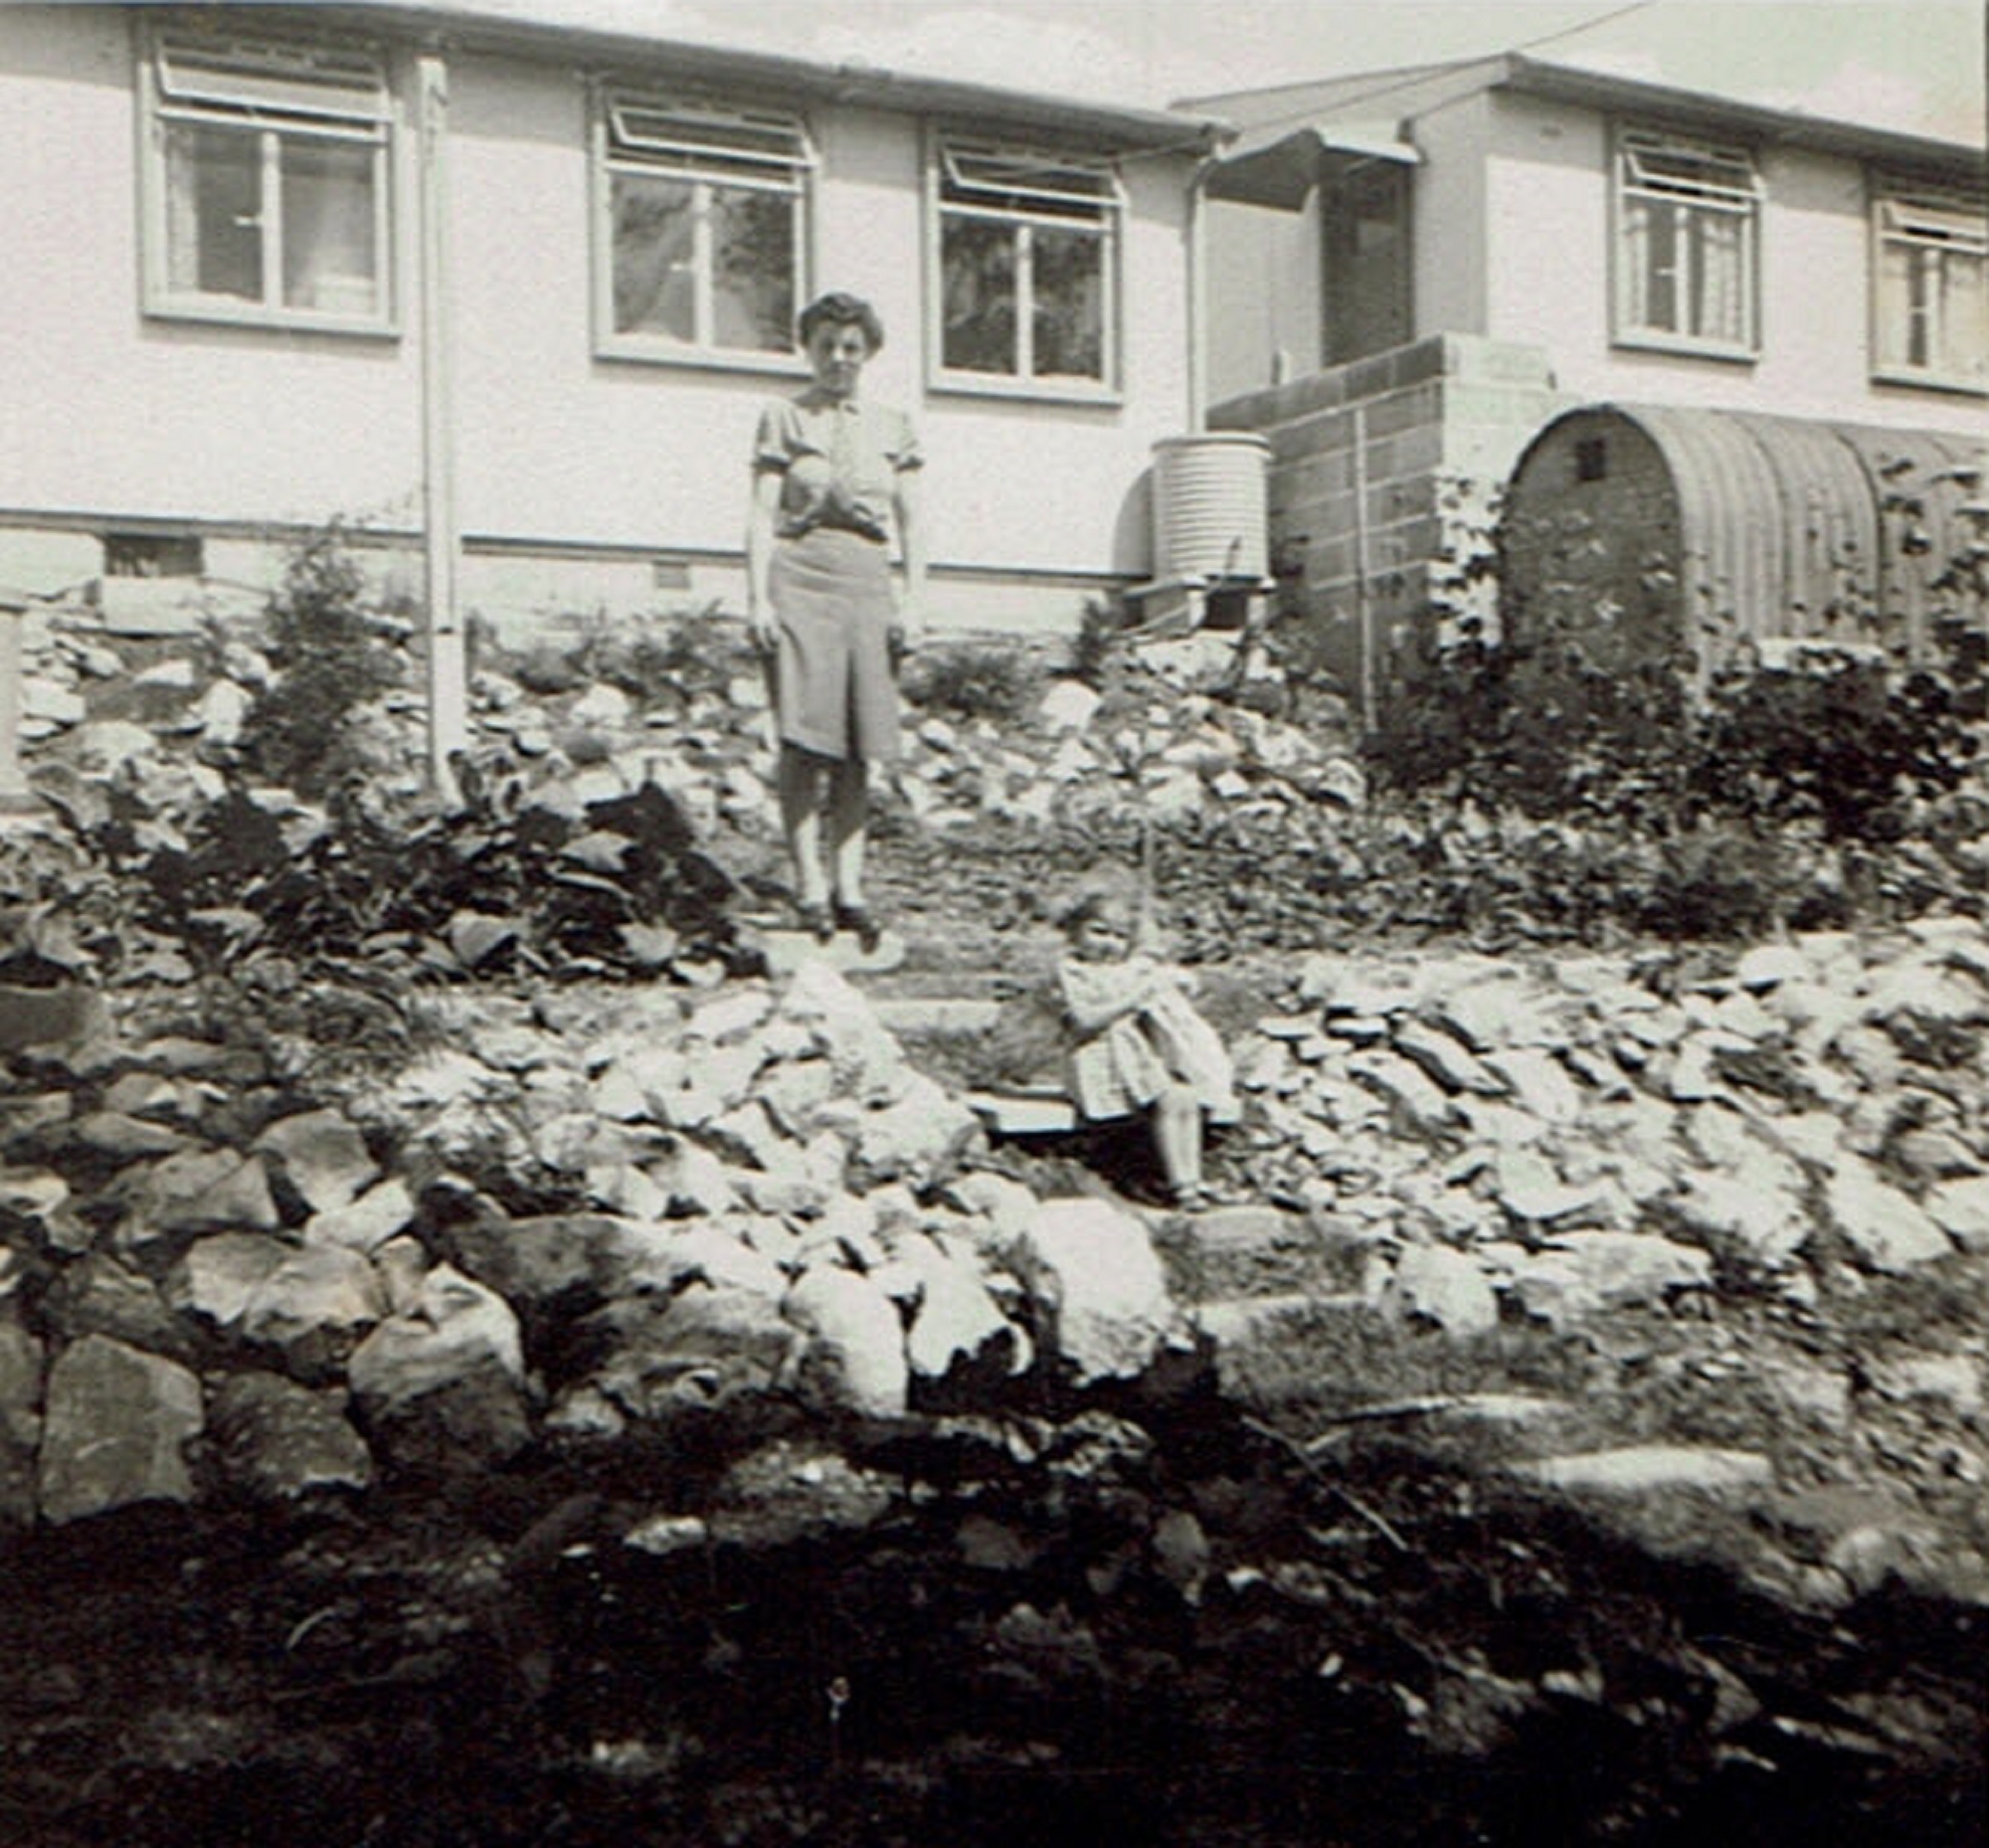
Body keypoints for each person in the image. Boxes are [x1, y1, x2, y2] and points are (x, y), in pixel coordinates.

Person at [746, 291, 925, 951]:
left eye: (851, 347)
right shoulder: (784, 418)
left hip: (868, 584)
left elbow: (912, 521)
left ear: (868, 352)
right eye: (825, 345)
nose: (838, 359)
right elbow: (762, 516)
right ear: (809, 349)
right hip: (800, 578)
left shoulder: (892, 424)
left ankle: (850, 889)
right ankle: (808, 888)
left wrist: (916, 600)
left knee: (857, 745)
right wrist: (757, 599)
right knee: (803, 739)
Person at [1054, 877, 1239, 1207]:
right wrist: (1134, 998)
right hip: (1097, 1063)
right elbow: (1085, 1021)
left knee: (1184, 1096)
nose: (1108, 944)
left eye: (1119, 937)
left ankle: (1190, 1181)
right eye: (1099, 932)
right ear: (1073, 932)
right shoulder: (1072, 971)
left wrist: (1169, 983)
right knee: (1168, 1098)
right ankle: (1181, 1186)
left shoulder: (1128, 971)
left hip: (1135, 1060)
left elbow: (1163, 976)